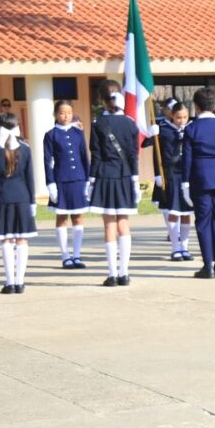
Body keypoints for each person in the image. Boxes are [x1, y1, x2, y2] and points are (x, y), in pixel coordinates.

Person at [87, 83, 140, 287]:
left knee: (109, 224)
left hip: (105, 177)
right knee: (123, 224)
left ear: (103, 100)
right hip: (126, 176)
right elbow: (133, 155)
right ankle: (124, 273)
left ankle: (112, 274)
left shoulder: (98, 123)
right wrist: (135, 180)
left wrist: (91, 182)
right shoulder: (130, 124)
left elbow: (96, 155)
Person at [178, 89, 215, 279]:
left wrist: (185, 183)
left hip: (200, 179)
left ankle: (208, 266)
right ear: (214, 105)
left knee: (203, 222)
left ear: (196, 106)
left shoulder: (192, 128)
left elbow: (187, 159)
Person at [0, 113, 36, 294]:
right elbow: (30, 178)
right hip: (22, 198)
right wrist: (32, 202)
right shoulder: (26, 149)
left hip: (2, 198)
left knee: (6, 239)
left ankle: (10, 282)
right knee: (22, 239)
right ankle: (20, 282)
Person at [43, 100, 89, 269]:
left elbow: (84, 157)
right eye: (62, 113)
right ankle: (65, 256)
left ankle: (77, 255)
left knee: (78, 217)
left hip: (78, 179)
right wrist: (50, 184)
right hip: (60, 180)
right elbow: (47, 161)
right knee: (61, 217)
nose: (65, 116)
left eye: (69, 113)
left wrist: (88, 181)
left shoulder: (78, 133)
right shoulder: (50, 135)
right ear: (56, 114)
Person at [157, 101, 195, 261]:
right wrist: (157, 174)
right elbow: (155, 152)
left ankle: (184, 247)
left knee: (186, 212)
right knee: (174, 210)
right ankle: (175, 248)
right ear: (172, 115)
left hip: (188, 174)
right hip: (171, 173)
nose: (182, 120)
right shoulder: (164, 130)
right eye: (178, 117)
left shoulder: (192, 129)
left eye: (185, 117)